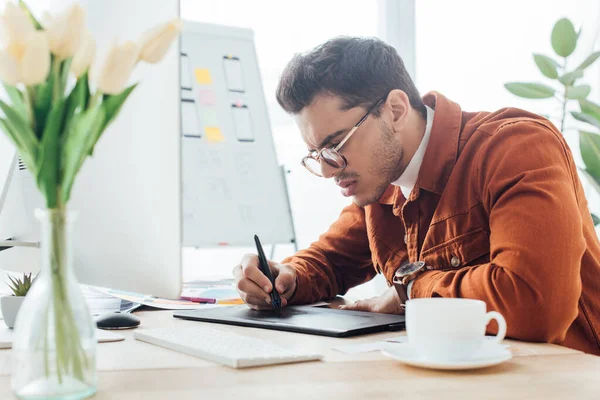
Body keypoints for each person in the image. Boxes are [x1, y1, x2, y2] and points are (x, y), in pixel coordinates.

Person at [232, 36, 600, 355]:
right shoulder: (380, 182)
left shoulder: (515, 148)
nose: (328, 170)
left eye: (335, 145)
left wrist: (410, 291)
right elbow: (330, 261)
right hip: (452, 377)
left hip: (559, 380)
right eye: (317, 155)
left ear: (394, 110)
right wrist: (285, 277)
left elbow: (536, 303)